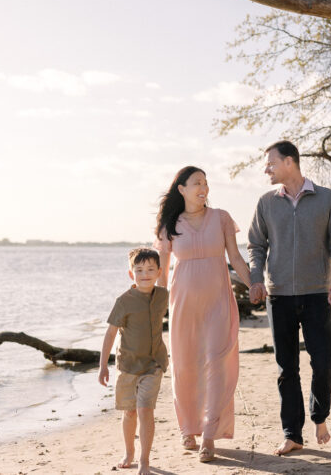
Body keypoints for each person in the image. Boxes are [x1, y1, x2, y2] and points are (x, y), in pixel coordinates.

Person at [248, 140, 331, 455]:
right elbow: (256, 245)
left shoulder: (326, 199)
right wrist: (256, 278)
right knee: (286, 368)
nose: (267, 169)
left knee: (323, 363)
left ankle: (320, 417)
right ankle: (293, 433)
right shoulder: (266, 202)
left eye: (271, 163)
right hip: (279, 296)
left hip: (317, 294)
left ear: (289, 161)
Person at [154, 166, 252, 463]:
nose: (203, 188)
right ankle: (188, 427)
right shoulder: (169, 224)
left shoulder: (220, 218)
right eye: (197, 183)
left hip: (218, 302)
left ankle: (208, 434)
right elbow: (160, 272)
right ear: (181, 189)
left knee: (216, 363)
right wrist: (153, 309)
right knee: (185, 365)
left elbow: (235, 258)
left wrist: (255, 285)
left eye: (206, 183)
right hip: (182, 303)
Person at [98, 247, 169, 475]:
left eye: (150, 269)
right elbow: (110, 334)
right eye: (139, 270)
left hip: (153, 364)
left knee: (145, 410)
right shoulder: (124, 301)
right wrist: (102, 366)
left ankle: (144, 460)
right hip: (127, 367)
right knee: (129, 413)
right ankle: (129, 452)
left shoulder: (163, 295)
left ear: (158, 272)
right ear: (131, 274)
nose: (145, 274)